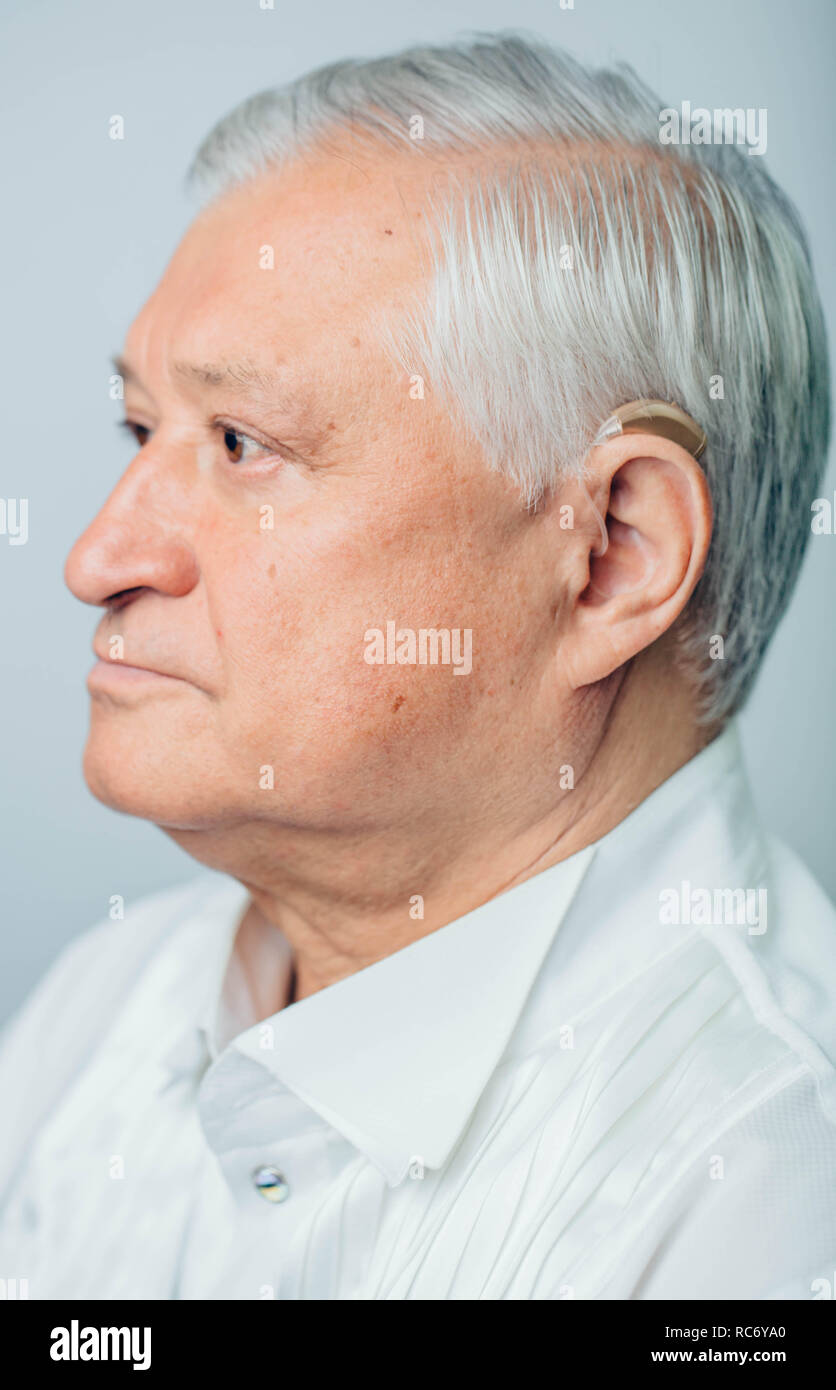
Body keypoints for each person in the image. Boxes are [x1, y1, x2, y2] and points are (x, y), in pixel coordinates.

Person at [1, 33, 833, 1300]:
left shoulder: (769, 1197)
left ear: (610, 553)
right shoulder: (115, 1001)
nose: (97, 556)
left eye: (242, 443)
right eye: (139, 426)